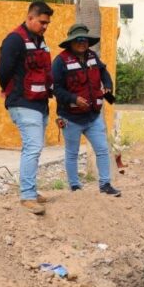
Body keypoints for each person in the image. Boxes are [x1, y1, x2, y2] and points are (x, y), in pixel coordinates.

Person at [0, 1, 55, 215]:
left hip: (40, 103)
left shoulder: (39, 40)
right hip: (22, 102)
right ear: (30, 18)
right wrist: (10, 90)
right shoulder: (15, 40)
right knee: (33, 147)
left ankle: (31, 190)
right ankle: (28, 196)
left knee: (35, 147)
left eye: (47, 23)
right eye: (42, 22)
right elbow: (3, 71)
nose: (45, 26)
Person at [52, 24, 121, 197]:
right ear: (70, 42)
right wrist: (74, 99)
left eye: (85, 40)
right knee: (72, 153)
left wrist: (107, 86)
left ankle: (105, 184)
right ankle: (75, 187)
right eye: (78, 40)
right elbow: (55, 88)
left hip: (93, 115)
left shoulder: (93, 56)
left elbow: (104, 73)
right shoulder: (60, 61)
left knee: (102, 149)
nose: (82, 43)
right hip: (70, 117)